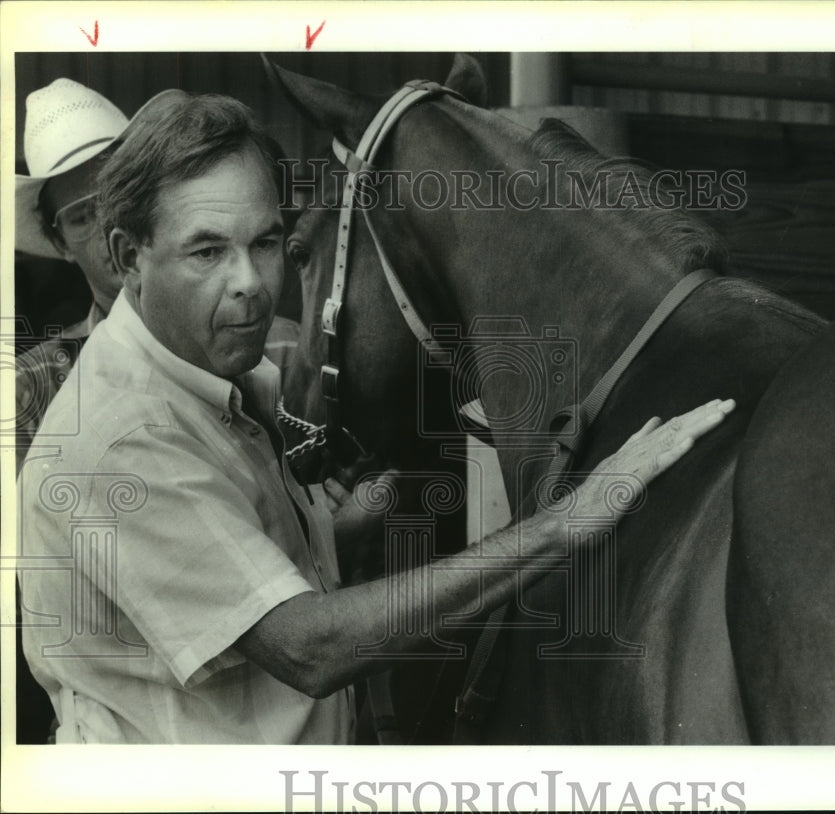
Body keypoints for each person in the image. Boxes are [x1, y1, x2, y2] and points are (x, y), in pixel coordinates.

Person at [17, 89, 736, 744]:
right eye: (207, 251)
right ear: (126, 257)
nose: (252, 286)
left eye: (267, 243)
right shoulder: (125, 435)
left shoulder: (225, 382)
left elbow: (266, 559)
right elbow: (308, 645)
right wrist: (562, 524)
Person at [13, 78, 299, 476]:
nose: (113, 222)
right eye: (83, 215)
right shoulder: (27, 388)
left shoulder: (287, 349)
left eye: (122, 199)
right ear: (59, 242)